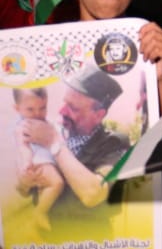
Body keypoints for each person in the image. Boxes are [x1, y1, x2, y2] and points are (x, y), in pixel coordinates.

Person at [18, 65, 128, 235]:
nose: (62, 111)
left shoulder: (115, 143)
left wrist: (55, 144)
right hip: (47, 239)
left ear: (99, 115)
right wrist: (25, 183)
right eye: (64, 102)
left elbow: (93, 194)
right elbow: (25, 191)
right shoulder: (54, 131)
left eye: (73, 107)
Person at [12, 88, 64, 231]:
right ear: (17, 109)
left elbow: (55, 132)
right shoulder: (23, 126)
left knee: (45, 191)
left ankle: (37, 225)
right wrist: (27, 162)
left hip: (45, 160)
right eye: (30, 109)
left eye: (42, 108)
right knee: (57, 183)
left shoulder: (45, 121)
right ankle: (39, 213)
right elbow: (23, 147)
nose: (37, 114)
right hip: (38, 162)